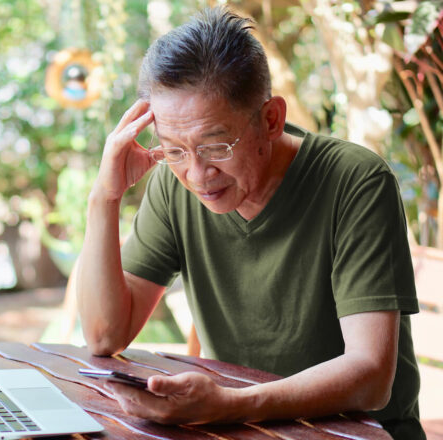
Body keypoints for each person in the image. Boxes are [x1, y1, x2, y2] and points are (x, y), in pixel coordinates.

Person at [75, 6, 424, 440]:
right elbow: (105, 337)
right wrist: (103, 197)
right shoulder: (173, 185)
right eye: (175, 149)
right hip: (242, 430)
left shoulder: (355, 182)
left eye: (216, 145)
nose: (198, 175)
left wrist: (230, 405)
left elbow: (371, 376)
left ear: (271, 119)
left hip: (359, 433)